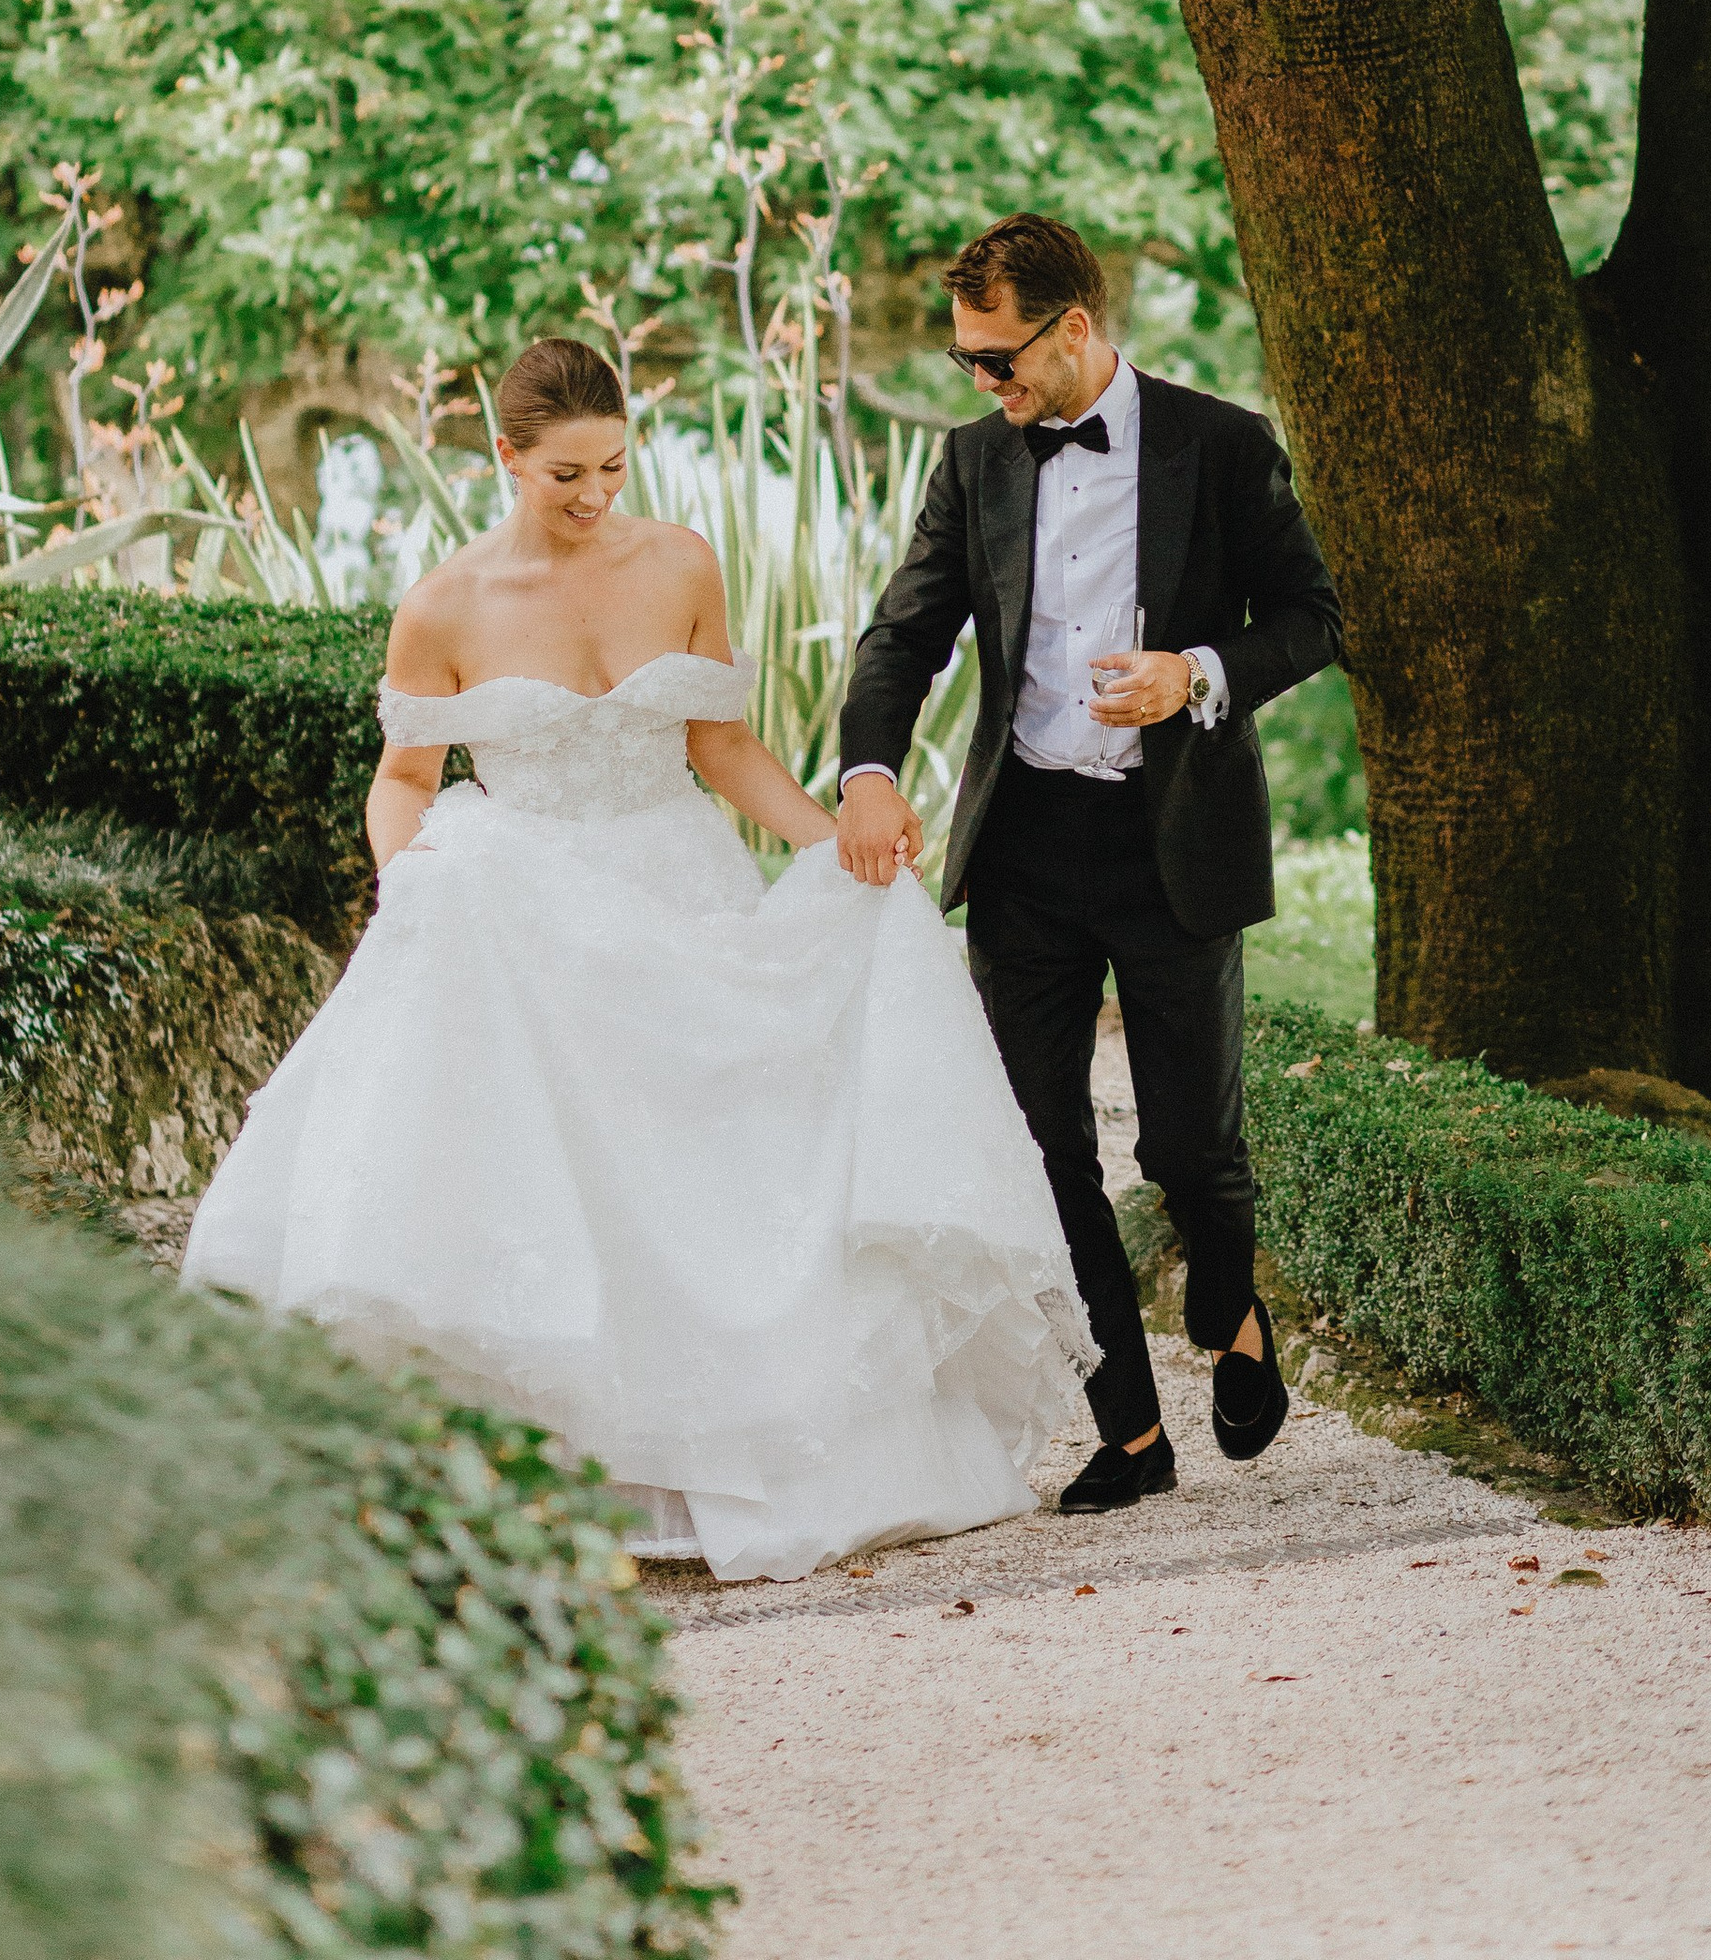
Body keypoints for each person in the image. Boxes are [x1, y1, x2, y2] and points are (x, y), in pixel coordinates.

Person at [180, 335, 1093, 1584]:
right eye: (565, 474)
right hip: (527, 916)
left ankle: (757, 1457)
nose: (596, 492)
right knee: (565, 1194)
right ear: (505, 458)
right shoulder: (444, 605)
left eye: (613, 464)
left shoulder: (679, 562)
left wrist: (838, 852)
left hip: (675, 885)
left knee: (723, 1181)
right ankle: (567, 1481)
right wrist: (414, 889)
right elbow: (405, 781)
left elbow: (722, 748)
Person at [838, 216, 1342, 1513]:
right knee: (1040, 1144)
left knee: (1189, 1148)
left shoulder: (1217, 444)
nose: (983, 386)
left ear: (1074, 329)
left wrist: (1196, 676)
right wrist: (871, 773)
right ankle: (1129, 1432)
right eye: (966, 363)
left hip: (1172, 840)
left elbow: (1311, 617)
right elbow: (904, 635)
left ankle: (1230, 1313)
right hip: (1025, 847)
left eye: (998, 360)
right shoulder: (973, 464)